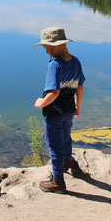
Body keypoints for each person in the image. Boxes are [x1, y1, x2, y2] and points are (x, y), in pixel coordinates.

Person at [34, 27, 85, 193]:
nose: (46, 50)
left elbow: (54, 92)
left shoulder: (55, 65)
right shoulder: (76, 61)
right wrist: (78, 106)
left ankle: (58, 181)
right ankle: (67, 161)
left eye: (47, 47)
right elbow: (80, 86)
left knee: (54, 145)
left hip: (54, 112)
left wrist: (41, 103)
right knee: (65, 136)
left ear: (56, 45)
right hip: (69, 109)